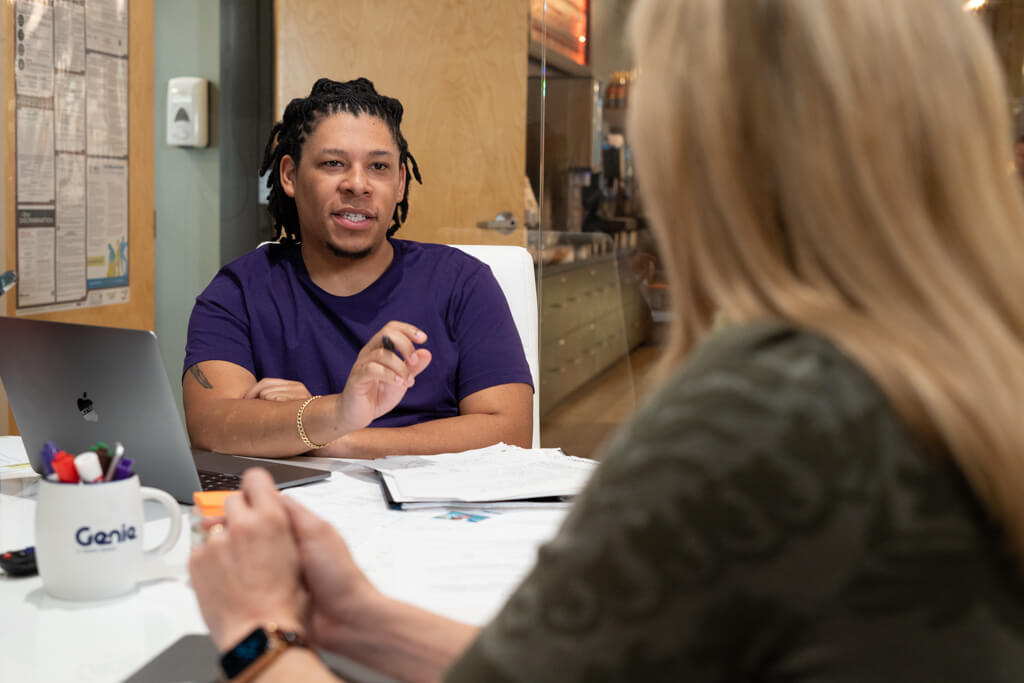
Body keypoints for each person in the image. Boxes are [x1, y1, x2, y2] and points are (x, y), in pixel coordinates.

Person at [189, 0, 1024, 680]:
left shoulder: (763, 410)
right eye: (335, 164)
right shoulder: (961, 373)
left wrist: (260, 632)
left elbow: (506, 425)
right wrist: (362, 620)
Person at [182, 78, 534, 459]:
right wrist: (338, 410)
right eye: (333, 163)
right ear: (289, 175)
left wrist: (332, 431)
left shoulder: (463, 282)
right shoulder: (238, 292)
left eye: (379, 166)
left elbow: (510, 430)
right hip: (295, 512)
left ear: (400, 183)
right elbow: (212, 426)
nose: (357, 184)